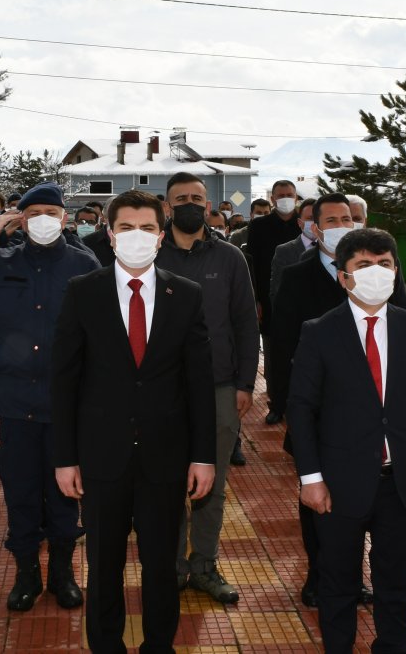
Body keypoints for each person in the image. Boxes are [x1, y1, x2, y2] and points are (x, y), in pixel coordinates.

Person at [52, 189, 216, 654]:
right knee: (104, 567)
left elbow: (200, 384)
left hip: (166, 458)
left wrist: (203, 456)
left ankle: (158, 646)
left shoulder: (185, 295)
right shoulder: (83, 292)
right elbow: (64, 381)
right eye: (126, 228)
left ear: (160, 237)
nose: (136, 236)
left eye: (147, 228)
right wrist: (65, 457)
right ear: (109, 233)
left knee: (161, 566)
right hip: (102, 456)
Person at [0, 181, 99, 612]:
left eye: (51, 212)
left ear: (65, 219)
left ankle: (62, 572)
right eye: (32, 213)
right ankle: (26, 572)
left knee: (66, 491)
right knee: (21, 490)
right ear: (19, 219)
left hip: (66, 402)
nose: (43, 220)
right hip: (15, 401)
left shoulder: (84, 264)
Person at [289, 227, 406, 653]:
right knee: (338, 582)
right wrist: (311, 477)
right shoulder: (320, 331)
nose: (375, 272)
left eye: (384, 264)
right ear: (343, 276)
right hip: (337, 484)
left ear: (396, 272)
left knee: (396, 582)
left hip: (402, 482)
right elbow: (301, 410)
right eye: (363, 265)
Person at [156, 172, 258, 605]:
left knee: (211, 482)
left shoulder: (231, 257)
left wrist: (246, 383)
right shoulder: (149, 255)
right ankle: (172, 566)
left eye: (197, 197)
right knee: (165, 482)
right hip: (161, 389)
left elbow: (245, 323)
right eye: (181, 198)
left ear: (208, 204)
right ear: (166, 206)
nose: (190, 205)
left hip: (218, 387)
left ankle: (204, 565)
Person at [246, 180, 302, 424]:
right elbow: (254, 263)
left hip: (302, 298)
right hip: (269, 298)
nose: (285, 198)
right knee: (273, 352)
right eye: (281, 195)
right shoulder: (259, 226)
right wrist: (256, 298)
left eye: (290, 194)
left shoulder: (305, 224)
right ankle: (276, 403)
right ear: (272, 198)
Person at [268, 197, 317, 301]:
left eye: (318, 218)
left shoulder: (333, 249)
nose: (314, 223)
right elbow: (277, 290)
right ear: (299, 222)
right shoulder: (284, 251)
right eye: (310, 218)